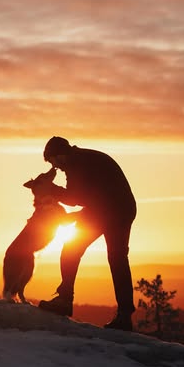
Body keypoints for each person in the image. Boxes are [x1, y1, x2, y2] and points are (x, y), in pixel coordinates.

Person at [39, 136, 137, 331]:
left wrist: (51, 189)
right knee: (117, 260)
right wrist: (76, 215)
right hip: (117, 208)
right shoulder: (81, 159)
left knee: (72, 249)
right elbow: (92, 198)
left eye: (53, 162)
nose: (56, 168)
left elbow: (76, 197)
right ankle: (124, 316)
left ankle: (65, 300)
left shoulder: (78, 164)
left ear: (59, 155)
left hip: (113, 210)